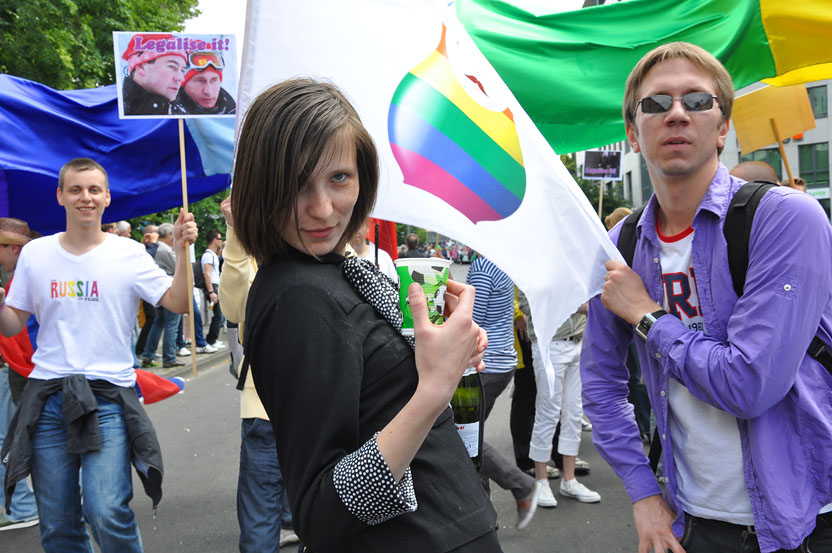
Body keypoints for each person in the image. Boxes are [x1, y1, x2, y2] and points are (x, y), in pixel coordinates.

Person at [581, 42, 832, 553]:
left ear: (723, 129)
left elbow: (749, 385)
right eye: (656, 103)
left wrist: (647, 317)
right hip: (692, 521)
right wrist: (643, 492)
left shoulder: (786, 219)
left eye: (697, 101)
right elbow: (602, 384)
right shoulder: (621, 245)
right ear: (632, 133)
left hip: (807, 522)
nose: (676, 113)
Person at [231, 78, 498, 552]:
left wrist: (440, 346)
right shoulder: (297, 296)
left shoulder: (328, 267)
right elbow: (321, 513)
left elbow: (373, 402)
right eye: (296, 184)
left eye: (339, 178)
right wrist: (434, 390)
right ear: (261, 185)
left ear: (363, 174)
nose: (321, 208)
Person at [0, 157, 198, 552]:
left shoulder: (128, 254)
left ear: (107, 197)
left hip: (108, 398)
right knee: (57, 523)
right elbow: (13, 324)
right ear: (60, 196)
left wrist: (181, 250)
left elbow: (177, 302)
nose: (85, 198)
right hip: (48, 396)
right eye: (75, 189)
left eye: (93, 190)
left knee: (106, 508)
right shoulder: (37, 254)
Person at [218, 194, 300, 551]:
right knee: (258, 522)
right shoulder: (248, 257)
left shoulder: (328, 250)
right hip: (263, 409)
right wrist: (235, 232)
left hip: (321, 409)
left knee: (323, 517)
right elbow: (233, 311)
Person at [466, 256, 540, 529]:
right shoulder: (500, 261)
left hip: (487, 363)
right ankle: (485, 510)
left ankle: (520, 485)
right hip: (501, 360)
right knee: (471, 435)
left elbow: (471, 321)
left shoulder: (483, 267)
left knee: (464, 435)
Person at [0, 218, 39, 532]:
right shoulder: (25, 275)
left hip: (18, 369)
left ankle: (23, 507)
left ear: (12, 248)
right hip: (24, 368)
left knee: (7, 439)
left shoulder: (20, 281)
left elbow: (18, 335)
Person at [142, 223, 184, 369]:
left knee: (158, 323)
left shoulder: (156, 248)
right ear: (169, 235)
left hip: (158, 290)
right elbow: (178, 267)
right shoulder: (165, 250)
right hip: (169, 288)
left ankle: (148, 354)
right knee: (172, 324)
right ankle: (169, 357)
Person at [121, 34, 187, 116]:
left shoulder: (183, 114)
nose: (181, 78)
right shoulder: (116, 109)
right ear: (141, 68)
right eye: (171, 66)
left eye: (182, 70)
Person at [202, 229, 225, 349]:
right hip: (213, 286)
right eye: (220, 238)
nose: (221, 241)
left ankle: (213, 338)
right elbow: (207, 273)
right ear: (214, 240)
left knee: (219, 314)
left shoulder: (213, 255)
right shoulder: (208, 255)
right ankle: (211, 339)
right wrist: (211, 291)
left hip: (216, 285)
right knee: (219, 314)